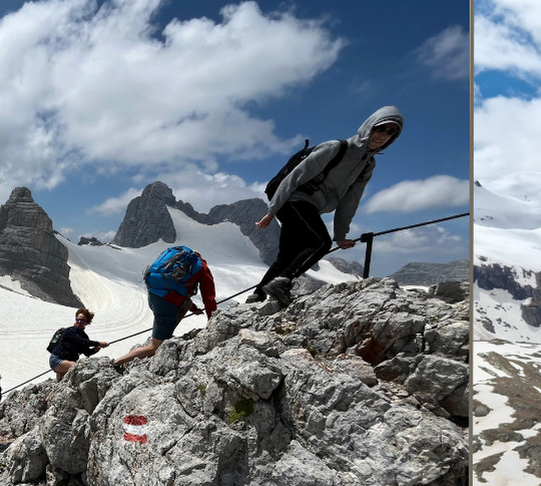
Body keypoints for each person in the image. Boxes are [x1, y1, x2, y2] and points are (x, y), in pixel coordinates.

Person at [250, 106, 404, 306]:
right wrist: (272, 212)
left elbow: (350, 201)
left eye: (391, 132)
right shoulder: (335, 148)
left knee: (287, 255)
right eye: (381, 128)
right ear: (369, 127)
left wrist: (341, 235)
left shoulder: (367, 165)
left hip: (309, 207)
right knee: (320, 242)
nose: (384, 135)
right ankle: (283, 282)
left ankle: (256, 296)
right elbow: (293, 178)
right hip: (293, 199)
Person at [114, 248, 216, 367]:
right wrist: (213, 323)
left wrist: (193, 308)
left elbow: (176, 288)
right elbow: (209, 299)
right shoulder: (202, 268)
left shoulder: (174, 257)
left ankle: (165, 335)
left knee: (186, 304)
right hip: (166, 304)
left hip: (153, 295)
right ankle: (117, 362)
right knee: (154, 347)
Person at [49, 308, 109, 381]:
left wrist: (95, 349)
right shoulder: (69, 330)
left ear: (86, 323)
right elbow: (80, 341)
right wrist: (99, 343)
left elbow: (87, 352)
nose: (79, 322)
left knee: (61, 382)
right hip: (57, 359)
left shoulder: (84, 336)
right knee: (77, 367)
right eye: (77, 320)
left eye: (82, 320)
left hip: (65, 361)